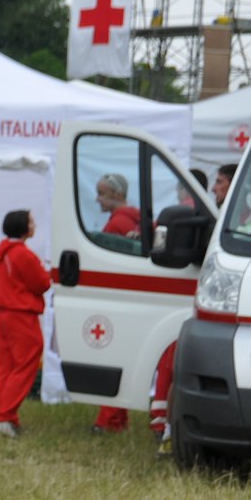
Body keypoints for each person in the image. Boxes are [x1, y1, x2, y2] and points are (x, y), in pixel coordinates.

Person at [0, 210, 51, 438]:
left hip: (3, 315)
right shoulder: (23, 255)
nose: (34, 224)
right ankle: (3, 416)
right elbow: (42, 283)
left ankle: (5, 415)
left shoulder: (2, 252)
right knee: (25, 363)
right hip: (21, 315)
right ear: (24, 227)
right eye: (32, 221)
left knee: (6, 365)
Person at [91, 172, 142, 433]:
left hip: (114, 299)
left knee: (110, 360)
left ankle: (107, 420)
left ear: (118, 195)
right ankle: (117, 419)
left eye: (102, 193)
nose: (97, 198)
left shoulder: (117, 223)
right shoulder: (134, 220)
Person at [96, 172, 142, 237]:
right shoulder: (139, 219)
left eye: (101, 194)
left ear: (118, 195)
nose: (97, 199)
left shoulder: (115, 224)